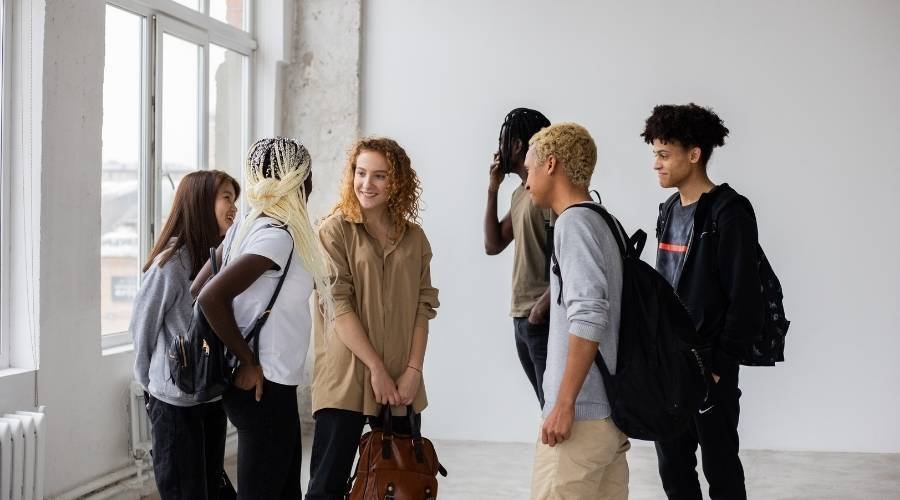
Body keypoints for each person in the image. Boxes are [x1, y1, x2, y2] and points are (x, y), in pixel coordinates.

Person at [194, 137, 335, 499]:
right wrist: (247, 360)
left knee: (283, 488)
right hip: (263, 383)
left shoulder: (249, 226)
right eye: (308, 175)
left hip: (274, 383)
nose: (311, 184)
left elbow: (198, 287)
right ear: (297, 179)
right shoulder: (277, 236)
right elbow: (210, 295)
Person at [307, 137, 440, 499]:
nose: (367, 184)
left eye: (379, 176)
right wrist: (375, 368)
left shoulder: (415, 238)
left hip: (401, 379)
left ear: (397, 182)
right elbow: (338, 305)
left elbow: (423, 307)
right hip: (347, 376)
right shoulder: (333, 231)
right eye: (360, 173)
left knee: (402, 484)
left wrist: (413, 371)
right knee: (326, 487)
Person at [643, 103, 764, 500]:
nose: (656, 164)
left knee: (721, 470)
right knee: (674, 472)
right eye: (654, 154)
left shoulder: (729, 212)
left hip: (709, 366)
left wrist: (718, 368)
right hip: (670, 366)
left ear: (694, 155)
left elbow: (744, 297)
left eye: (664, 154)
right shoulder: (668, 211)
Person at [524, 123, 629, 499]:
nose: (525, 181)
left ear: (550, 165)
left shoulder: (575, 223)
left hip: (581, 419)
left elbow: (588, 316)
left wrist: (563, 404)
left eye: (528, 168)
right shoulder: (606, 222)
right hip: (608, 416)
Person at [131, 169, 239, 499]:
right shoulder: (172, 264)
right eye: (226, 197)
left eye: (235, 198)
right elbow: (142, 326)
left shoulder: (221, 259)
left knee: (209, 487)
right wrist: (151, 386)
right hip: (175, 404)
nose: (233, 206)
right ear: (201, 203)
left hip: (211, 396)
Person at [484, 107, 554, 408]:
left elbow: (566, 257)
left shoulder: (550, 192)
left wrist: (541, 308)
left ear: (517, 145)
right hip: (522, 317)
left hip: (543, 317)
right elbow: (493, 243)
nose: (499, 147)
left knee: (553, 405)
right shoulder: (521, 193)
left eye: (504, 140)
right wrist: (492, 188)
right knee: (545, 404)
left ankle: (559, 457)